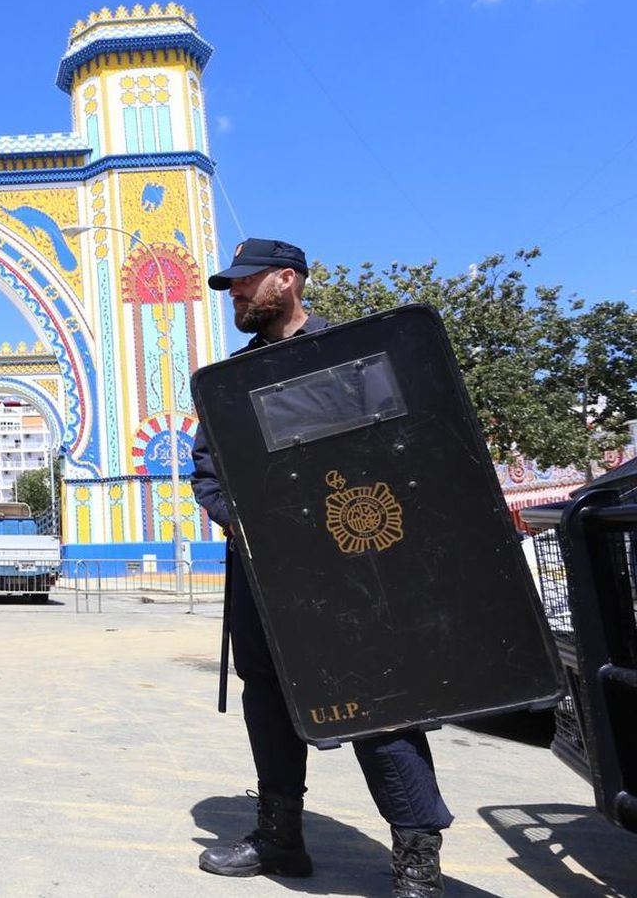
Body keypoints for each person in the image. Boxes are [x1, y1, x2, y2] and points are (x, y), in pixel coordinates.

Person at [191, 240, 449, 896]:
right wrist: (240, 521)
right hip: (263, 568)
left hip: (355, 566)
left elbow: (396, 446)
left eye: (246, 284)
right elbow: (208, 466)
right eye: (231, 288)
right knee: (267, 695)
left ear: (288, 279)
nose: (237, 296)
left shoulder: (351, 356)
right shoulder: (232, 379)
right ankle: (281, 837)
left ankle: (416, 858)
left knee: (381, 697)